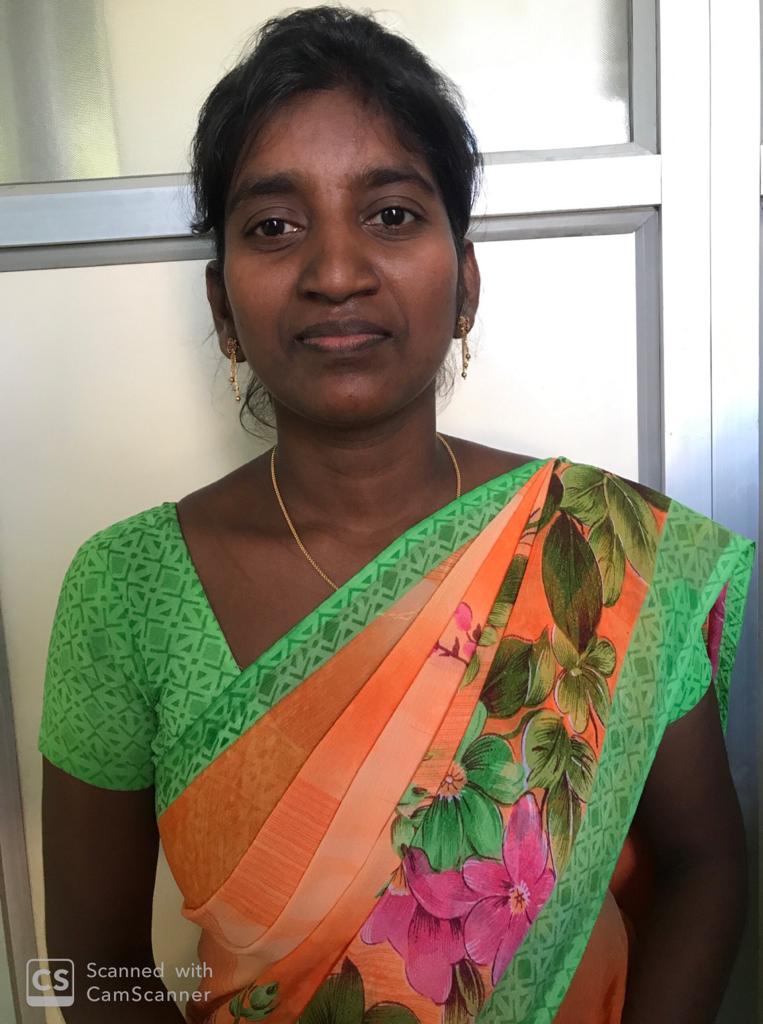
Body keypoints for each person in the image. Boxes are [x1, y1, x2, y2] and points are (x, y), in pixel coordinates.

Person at [38, 7, 756, 1024]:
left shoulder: (600, 546)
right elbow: (86, 967)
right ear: (221, 306)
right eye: (274, 226)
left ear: (465, 283)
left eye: (390, 214)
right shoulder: (125, 591)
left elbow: (702, 864)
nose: (336, 273)